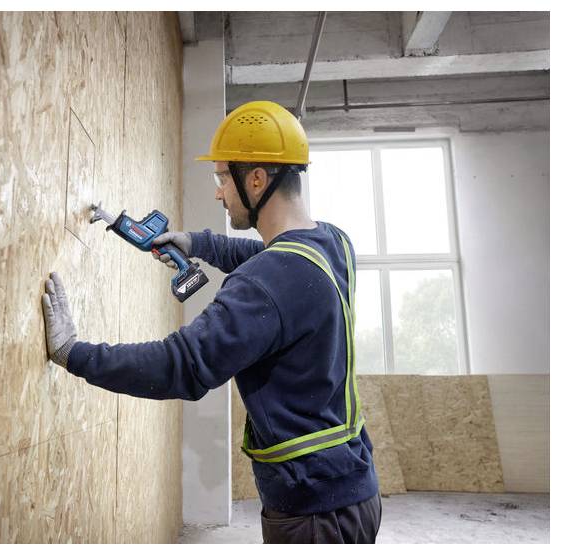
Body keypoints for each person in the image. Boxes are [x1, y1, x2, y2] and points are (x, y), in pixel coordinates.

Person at [41, 100, 381, 543]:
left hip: (314, 513)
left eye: (223, 177)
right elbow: (268, 259)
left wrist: (73, 352)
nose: (219, 192)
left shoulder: (266, 284)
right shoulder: (333, 243)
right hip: (353, 488)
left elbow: (179, 366)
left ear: (256, 179)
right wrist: (194, 242)